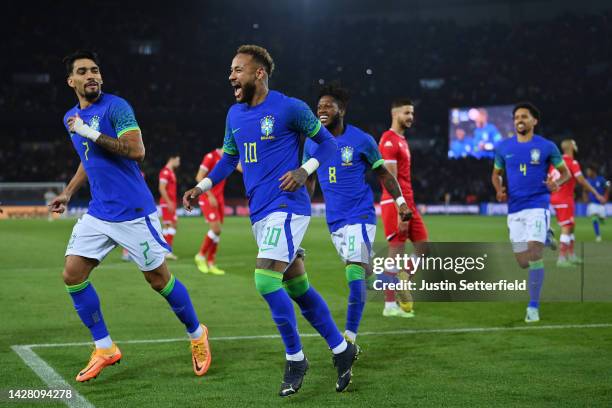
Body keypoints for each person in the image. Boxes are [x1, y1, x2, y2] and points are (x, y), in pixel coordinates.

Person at [183, 45, 358, 397]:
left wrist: (304, 169)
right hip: (259, 211)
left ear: (258, 73)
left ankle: (295, 359)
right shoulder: (234, 114)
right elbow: (228, 157)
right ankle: (342, 350)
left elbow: (328, 146)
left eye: (238, 70)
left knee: (265, 280)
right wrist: (201, 187)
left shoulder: (290, 107)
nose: (231, 76)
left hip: (288, 206)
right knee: (297, 288)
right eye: (231, 70)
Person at [50, 50, 211, 382]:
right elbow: (87, 157)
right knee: (72, 274)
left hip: (135, 213)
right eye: (83, 71)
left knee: (158, 281)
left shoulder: (116, 107)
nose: (91, 75)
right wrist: (68, 191)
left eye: (95, 70)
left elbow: (137, 151)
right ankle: (105, 347)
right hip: (99, 212)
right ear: (71, 81)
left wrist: (89, 132)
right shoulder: (71, 118)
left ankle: (197, 334)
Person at [304, 84, 411, 343]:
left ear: (341, 109)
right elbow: (309, 181)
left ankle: (349, 338)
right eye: (319, 107)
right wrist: (300, 213)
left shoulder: (361, 139)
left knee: (354, 273)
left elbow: (383, 173)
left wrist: (400, 202)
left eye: (328, 105)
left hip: (359, 216)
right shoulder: (311, 143)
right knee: (364, 270)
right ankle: (395, 282)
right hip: (335, 221)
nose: (322, 110)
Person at [492, 102, 570, 323]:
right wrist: (499, 189)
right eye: (517, 117)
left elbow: (565, 173)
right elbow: (495, 174)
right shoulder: (503, 147)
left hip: (538, 205)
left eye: (524, 116)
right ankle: (545, 237)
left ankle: (533, 307)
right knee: (522, 261)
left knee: (534, 256)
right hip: (514, 209)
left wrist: (556, 184)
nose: (519, 120)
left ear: (534, 121)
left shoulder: (547, 146)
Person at [378, 99, 429, 318]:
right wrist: (401, 209)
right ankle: (389, 306)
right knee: (395, 254)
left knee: (424, 250)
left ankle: (403, 278)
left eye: (412, 113)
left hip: (409, 204)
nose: (411, 117)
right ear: (395, 113)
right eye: (407, 113)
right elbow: (390, 179)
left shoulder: (402, 140)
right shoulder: (389, 141)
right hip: (396, 204)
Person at [549, 140, 605, 266]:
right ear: (571, 147)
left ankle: (571, 255)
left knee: (571, 225)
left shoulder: (556, 162)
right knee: (567, 227)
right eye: (575, 144)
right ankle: (562, 258)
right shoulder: (572, 162)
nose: (576, 145)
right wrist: (596, 194)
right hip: (564, 198)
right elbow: (582, 181)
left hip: (556, 198)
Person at [193, 148, 232, 275]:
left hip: (219, 199)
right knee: (216, 229)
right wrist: (209, 195)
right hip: (208, 197)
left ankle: (211, 263)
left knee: (218, 232)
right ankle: (200, 256)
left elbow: (242, 167)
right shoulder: (210, 156)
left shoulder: (229, 157)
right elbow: (199, 177)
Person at [159, 154, 181, 260]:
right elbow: (162, 188)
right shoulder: (165, 172)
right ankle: (166, 251)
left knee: (171, 225)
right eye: (178, 160)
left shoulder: (171, 172)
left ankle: (165, 250)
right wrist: (168, 202)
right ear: (172, 159)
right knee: (170, 225)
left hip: (171, 202)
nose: (179, 163)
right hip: (167, 203)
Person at [584, 165, 610, 242]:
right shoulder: (587, 180)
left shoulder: (601, 179)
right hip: (592, 204)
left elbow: (608, 185)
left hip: (600, 204)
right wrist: (585, 199)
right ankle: (598, 236)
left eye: (588, 171)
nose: (587, 172)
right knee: (594, 218)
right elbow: (584, 191)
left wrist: (605, 197)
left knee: (601, 219)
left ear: (593, 171)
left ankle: (602, 218)